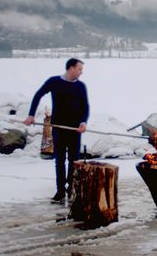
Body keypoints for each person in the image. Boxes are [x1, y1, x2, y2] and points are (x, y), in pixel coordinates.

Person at [24, 58, 89, 203]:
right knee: (59, 161)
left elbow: (85, 106)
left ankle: (72, 189)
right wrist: (31, 115)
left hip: (75, 129)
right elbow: (38, 95)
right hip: (58, 128)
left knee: (74, 161)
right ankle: (60, 191)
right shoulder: (54, 82)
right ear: (71, 68)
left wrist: (83, 122)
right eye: (79, 69)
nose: (81, 72)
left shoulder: (80, 86)